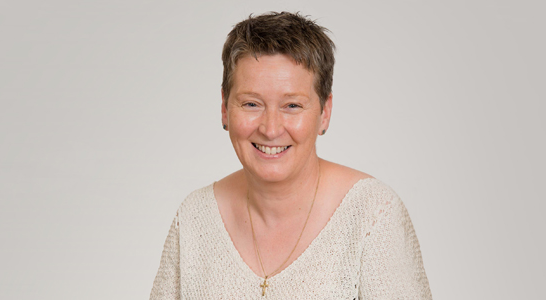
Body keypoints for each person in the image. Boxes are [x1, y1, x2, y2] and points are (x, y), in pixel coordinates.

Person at [150, 12, 431, 299]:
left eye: (292, 106)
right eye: (251, 103)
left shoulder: (372, 215)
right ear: (224, 107)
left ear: (325, 112)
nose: (271, 129)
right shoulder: (195, 217)